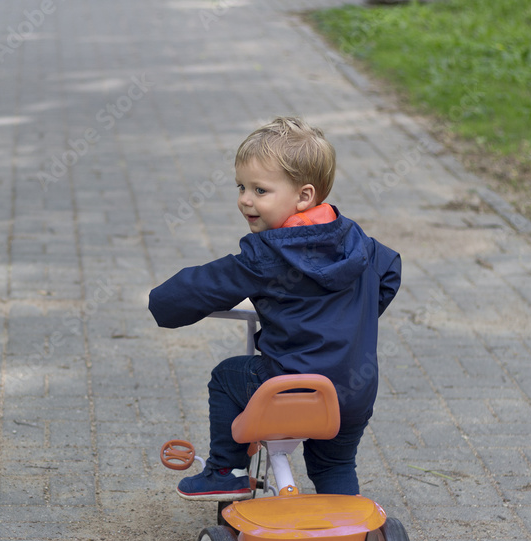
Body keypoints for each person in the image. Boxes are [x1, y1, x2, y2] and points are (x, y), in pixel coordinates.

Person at [148, 116, 401, 501]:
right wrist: (348, 319)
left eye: (260, 190)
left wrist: (161, 303)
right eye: (241, 187)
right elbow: (390, 270)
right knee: (334, 465)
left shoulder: (266, 255)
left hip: (290, 388)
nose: (245, 199)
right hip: (353, 390)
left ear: (303, 196)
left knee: (228, 375)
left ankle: (226, 471)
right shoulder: (355, 240)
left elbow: (198, 290)